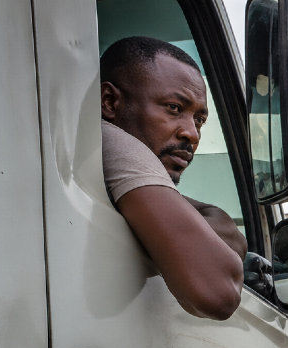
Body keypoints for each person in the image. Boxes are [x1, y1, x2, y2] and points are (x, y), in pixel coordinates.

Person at [100, 36, 250, 320]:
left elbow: (233, 236)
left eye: (199, 120)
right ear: (109, 102)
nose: (192, 134)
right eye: (174, 108)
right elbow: (219, 292)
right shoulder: (109, 142)